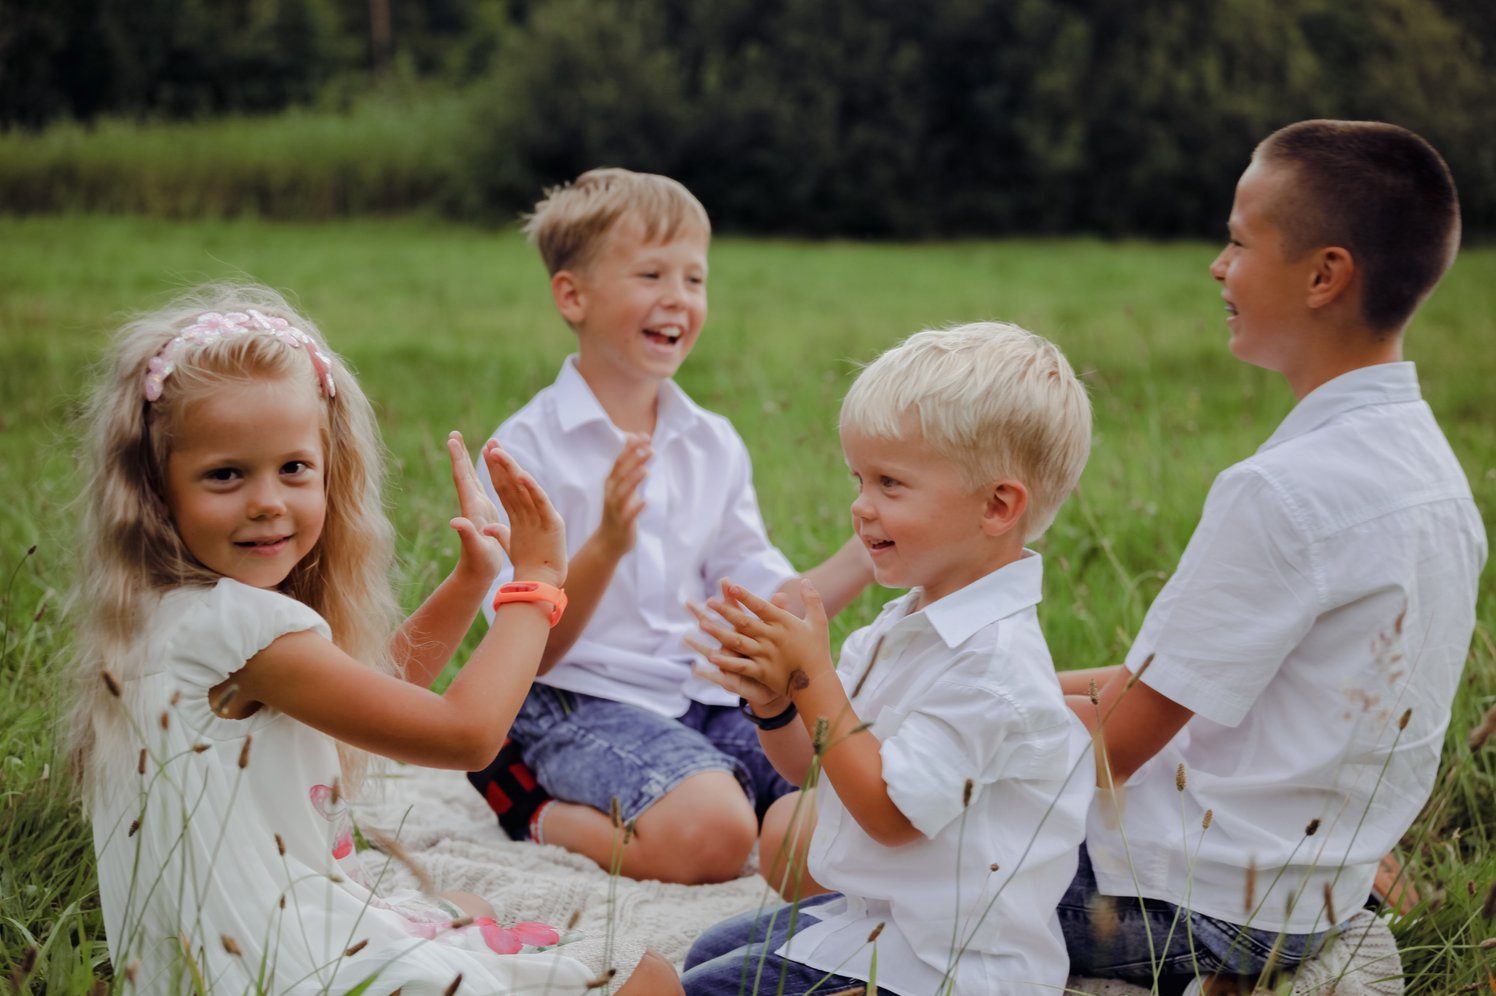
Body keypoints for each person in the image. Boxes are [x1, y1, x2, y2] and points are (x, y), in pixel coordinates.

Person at [63, 284, 681, 995]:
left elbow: (364, 703)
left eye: (293, 468)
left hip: (210, 953)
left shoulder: (167, 610)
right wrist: (535, 583)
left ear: (330, 471)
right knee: (652, 979)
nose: (267, 500)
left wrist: (470, 583)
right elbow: (465, 736)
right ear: (155, 488)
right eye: (226, 475)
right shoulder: (238, 626)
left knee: (467, 914)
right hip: (284, 964)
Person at [1057, 120, 1487, 995]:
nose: (1219, 266)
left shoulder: (1281, 492)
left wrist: (911, 732)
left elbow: (1116, 746)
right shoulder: (1437, 476)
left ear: (1326, 275)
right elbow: (1159, 686)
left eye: (1238, 241)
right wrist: (979, 684)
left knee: (825, 836)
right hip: (1308, 893)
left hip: (1197, 909)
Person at [466, 167, 871, 885]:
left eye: (694, 279)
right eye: (652, 273)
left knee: (842, 803)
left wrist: (870, 553)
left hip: (702, 699)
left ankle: (709, 787)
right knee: (715, 833)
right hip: (577, 700)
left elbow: (762, 607)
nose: (678, 299)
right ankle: (526, 804)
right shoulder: (526, 451)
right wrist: (607, 545)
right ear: (573, 295)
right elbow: (534, 653)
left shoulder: (712, 442)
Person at [681, 322, 1096, 996]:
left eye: (890, 484)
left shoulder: (992, 666)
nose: (860, 506)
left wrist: (813, 677)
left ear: (997, 505)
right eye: (859, 478)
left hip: (949, 962)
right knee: (708, 951)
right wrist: (775, 702)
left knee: (707, 988)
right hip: (882, 914)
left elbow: (889, 816)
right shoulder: (901, 622)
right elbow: (811, 771)